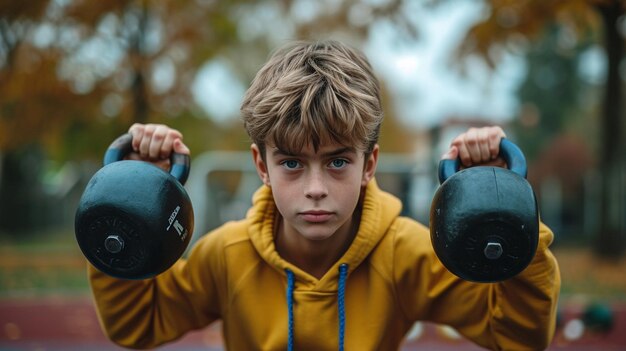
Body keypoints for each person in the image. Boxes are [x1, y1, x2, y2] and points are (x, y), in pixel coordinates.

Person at [88, 40, 560, 350]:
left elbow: (517, 336)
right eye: (291, 163)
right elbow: (137, 325)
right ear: (262, 166)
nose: (316, 190)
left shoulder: (404, 254)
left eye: (338, 162)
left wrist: (507, 210)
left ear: (368, 166)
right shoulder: (227, 256)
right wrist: (130, 205)